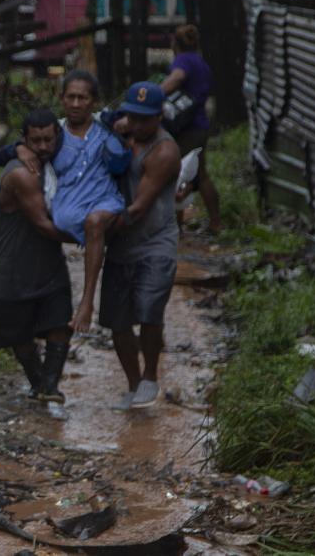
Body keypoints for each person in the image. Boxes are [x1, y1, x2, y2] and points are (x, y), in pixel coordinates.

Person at [0, 70, 131, 333]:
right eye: (70, 97)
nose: (75, 104)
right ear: (62, 99)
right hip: (69, 208)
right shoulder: (54, 133)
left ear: (93, 101)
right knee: (84, 227)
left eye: (82, 98)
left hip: (105, 200)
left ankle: (87, 303)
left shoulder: (106, 128)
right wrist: (18, 148)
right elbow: (5, 153)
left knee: (95, 222)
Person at [0, 109, 77, 403]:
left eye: (49, 139)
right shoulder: (23, 173)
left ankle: (48, 386)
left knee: (60, 323)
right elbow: (44, 225)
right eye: (35, 141)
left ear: (57, 137)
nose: (43, 146)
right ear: (25, 140)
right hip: (11, 270)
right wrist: (92, 234)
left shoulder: (53, 161)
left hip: (46, 265)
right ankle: (39, 382)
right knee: (19, 336)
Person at [103, 82, 182, 411]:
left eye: (143, 119)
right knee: (117, 320)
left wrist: (90, 231)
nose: (136, 125)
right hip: (121, 244)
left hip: (154, 241)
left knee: (149, 311)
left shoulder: (164, 151)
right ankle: (133, 384)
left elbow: (138, 207)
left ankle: (150, 375)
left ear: (159, 117)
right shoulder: (123, 131)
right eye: (131, 117)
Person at [161, 24, 220, 232]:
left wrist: (155, 93)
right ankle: (215, 222)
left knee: (175, 173)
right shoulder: (201, 62)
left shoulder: (184, 60)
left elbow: (177, 77)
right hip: (200, 124)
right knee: (201, 174)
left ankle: (176, 225)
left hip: (185, 127)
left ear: (175, 43)